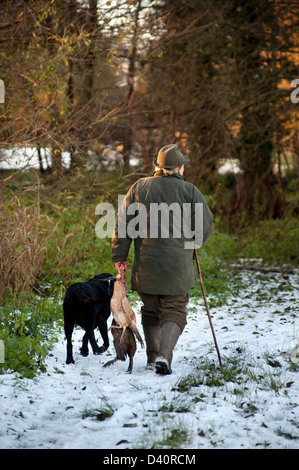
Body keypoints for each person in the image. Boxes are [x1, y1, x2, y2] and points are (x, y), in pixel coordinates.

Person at [111, 144, 213, 375]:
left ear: (157, 166)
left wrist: (120, 256)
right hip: (177, 266)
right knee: (174, 310)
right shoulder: (190, 191)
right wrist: (195, 240)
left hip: (146, 264)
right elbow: (204, 228)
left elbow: (122, 223)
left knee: (150, 309)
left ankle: (152, 357)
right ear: (179, 168)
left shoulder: (139, 187)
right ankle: (165, 357)